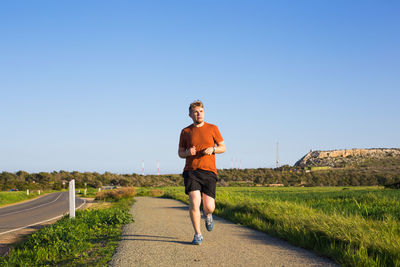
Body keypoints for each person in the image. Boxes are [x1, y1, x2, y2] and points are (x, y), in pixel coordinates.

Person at [178, 100, 226, 245]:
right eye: (196, 112)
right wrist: (187, 152)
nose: (199, 114)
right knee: (194, 203)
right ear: (190, 115)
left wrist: (213, 149)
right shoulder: (185, 131)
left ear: (204, 112)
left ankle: (209, 215)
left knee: (209, 206)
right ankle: (197, 234)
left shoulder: (213, 128)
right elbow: (180, 153)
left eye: (201, 111)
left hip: (209, 172)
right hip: (191, 171)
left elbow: (223, 147)